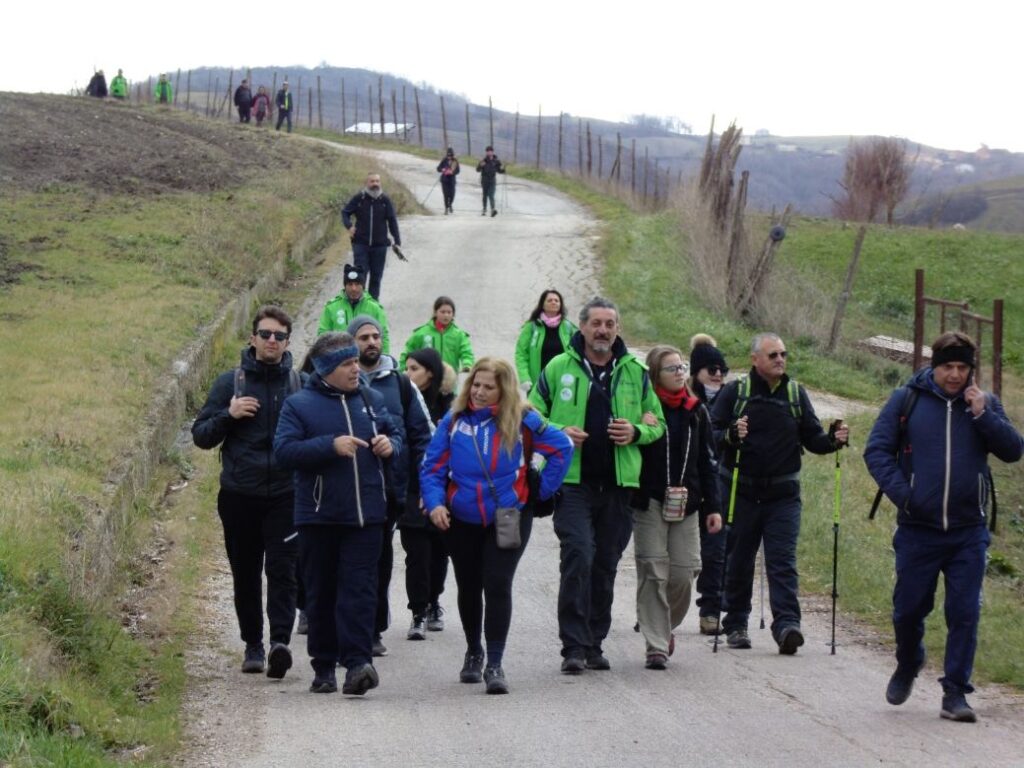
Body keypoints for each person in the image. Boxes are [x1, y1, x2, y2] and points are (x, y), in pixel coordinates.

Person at [865, 332, 1022, 723]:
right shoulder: (908, 400)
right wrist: (906, 494)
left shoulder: (983, 405)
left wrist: (984, 414)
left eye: (962, 367)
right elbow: (876, 450)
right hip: (918, 529)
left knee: (964, 611)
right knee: (907, 610)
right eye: (947, 366)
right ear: (933, 366)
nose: (955, 375)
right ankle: (908, 662)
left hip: (968, 531)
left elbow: (1013, 450)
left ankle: (955, 692)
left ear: (972, 369)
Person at [529, 297, 665, 673]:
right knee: (579, 556)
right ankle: (572, 646)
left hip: (620, 486)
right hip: (572, 484)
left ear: (617, 329)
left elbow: (658, 425)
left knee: (605, 564)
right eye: (596, 324)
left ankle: (594, 642)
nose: (602, 330)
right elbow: (529, 412)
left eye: (609, 324)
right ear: (582, 328)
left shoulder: (635, 372)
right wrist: (558, 432)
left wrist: (636, 430)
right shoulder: (559, 368)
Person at [421, 358, 573, 694]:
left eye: (489, 387)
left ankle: (495, 662)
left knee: (498, 582)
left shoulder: (524, 419)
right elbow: (432, 467)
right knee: (469, 584)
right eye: (476, 384)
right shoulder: (453, 420)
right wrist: (434, 504)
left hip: (508, 515)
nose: (480, 391)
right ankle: (474, 651)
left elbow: (562, 447)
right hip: (461, 518)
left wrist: (539, 492)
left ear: (504, 389)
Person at [273, 332, 404, 695]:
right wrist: (329, 446)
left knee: (360, 591)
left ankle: (358, 664)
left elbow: (398, 436)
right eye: (347, 364)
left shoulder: (371, 399)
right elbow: (283, 452)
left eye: (354, 362)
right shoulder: (299, 405)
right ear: (328, 369)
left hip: (367, 518)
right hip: (319, 516)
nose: (355, 368)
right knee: (322, 591)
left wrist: (389, 446)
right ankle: (324, 666)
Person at [710, 332, 849, 654]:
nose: (780, 360)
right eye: (772, 355)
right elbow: (711, 433)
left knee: (782, 560)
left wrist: (833, 440)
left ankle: (787, 625)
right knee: (740, 559)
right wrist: (730, 435)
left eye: (783, 354)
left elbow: (813, 438)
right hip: (740, 491)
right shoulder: (736, 392)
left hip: (783, 495)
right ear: (755, 359)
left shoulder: (795, 394)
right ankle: (736, 623)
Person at [191, 306, 301, 680]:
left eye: (279, 336)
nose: (272, 341)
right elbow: (201, 436)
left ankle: (279, 643)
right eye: (266, 334)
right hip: (240, 495)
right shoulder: (230, 383)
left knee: (284, 571)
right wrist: (229, 414)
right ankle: (253, 644)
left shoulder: (298, 385)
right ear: (252, 338)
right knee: (246, 573)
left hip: (286, 495)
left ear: (288, 342)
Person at [347, 315, 434, 656]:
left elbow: (423, 435)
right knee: (351, 563)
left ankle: (373, 629)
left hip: (390, 491)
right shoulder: (338, 381)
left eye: (376, 336)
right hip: (346, 489)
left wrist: (426, 485)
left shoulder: (400, 385)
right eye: (364, 337)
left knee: (380, 562)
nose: (371, 342)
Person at [632, 345, 722, 669]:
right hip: (650, 502)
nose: (680, 373)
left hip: (688, 503)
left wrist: (714, 507)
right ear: (655, 374)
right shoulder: (645, 409)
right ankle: (656, 644)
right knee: (653, 570)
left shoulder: (696, 410)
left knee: (684, 573)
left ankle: (662, 623)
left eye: (682, 367)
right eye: (672, 369)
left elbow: (708, 462)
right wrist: (640, 427)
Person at [399, 347, 455, 637]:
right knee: (416, 554)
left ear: (430, 372)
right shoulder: (403, 400)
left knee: (438, 553)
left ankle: (434, 601)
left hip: (442, 492)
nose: (407, 375)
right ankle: (418, 612)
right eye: (406, 368)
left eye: (413, 369)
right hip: (410, 488)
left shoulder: (451, 406)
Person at [688, 333, 731, 635]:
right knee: (675, 556)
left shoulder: (733, 400)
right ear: (696, 372)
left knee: (716, 552)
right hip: (687, 485)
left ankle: (711, 611)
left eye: (722, 370)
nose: (717, 375)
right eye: (711, 370)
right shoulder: (685, 400)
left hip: (721, 486)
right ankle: (657, 608)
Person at [341, 172, 402, 301]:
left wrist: (397, 240)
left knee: (376, 277)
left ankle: (373, 304)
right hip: (360, 244)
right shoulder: (359, 199)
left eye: (377, 181)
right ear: (367, 183)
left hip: (380, 246)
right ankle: (358, 302)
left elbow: (392, 220)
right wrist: (349, 226)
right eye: (372, 181)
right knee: (360, 276)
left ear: (380, 183)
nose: (375, 184)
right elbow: (345, 212)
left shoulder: (385, 200)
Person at [514, 288, 577, 394]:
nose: (553, 302)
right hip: (537, 384)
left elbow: (580, 351)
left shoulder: (568, 327)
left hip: (563, 384)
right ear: (542, 305)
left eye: (557, 300)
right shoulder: (532, 327)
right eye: (549, 300)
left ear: (560, 305)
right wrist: (524, 377)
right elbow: (521, 354)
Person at [317, 264, 390, 353]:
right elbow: (323, 336)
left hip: (367, 359)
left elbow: (384, 336)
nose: (354, 288)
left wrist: (385, 359)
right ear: (345, 286)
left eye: (357, 284)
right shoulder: (331, 308)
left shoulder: (375, 308)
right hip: (341, 360)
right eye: (350, 284)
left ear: (363, 286)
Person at [400, 296, 475, 375]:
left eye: (449, 312)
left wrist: (467, 364)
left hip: (449, 379)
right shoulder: (421, 333)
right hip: (426, 378)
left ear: (453, 314)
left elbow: (466, 352)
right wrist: (402, 368)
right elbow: (409, 350)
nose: (446, 315)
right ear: (435, 312)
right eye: (442, 312)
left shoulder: (459, 335)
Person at [476, 145, 505, 217]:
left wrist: (503, 169)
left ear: (492, 152)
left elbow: (499, 171)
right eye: (487, 152)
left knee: (491, 195)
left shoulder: (496, 161)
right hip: (484, 180)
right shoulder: (483, 160)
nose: (489, 153)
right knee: (485, 195)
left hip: (492, 180)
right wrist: (480, 165)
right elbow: (477, 170)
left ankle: (492, 210)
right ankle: (484, 209)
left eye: (490, 151)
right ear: (486, 153)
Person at [437, 147, 460, 214]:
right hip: (444, 180)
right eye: (448, 155)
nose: (449, 157)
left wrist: (452, 172)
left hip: (452, 180)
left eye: (450, 155)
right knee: (446, 195)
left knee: (452, 194)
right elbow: (438, 168)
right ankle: (446, 209)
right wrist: (442, 169)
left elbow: (458, 171)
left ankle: (450, 204)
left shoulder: (455, 161)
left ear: (452, 155)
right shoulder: (444, 160)